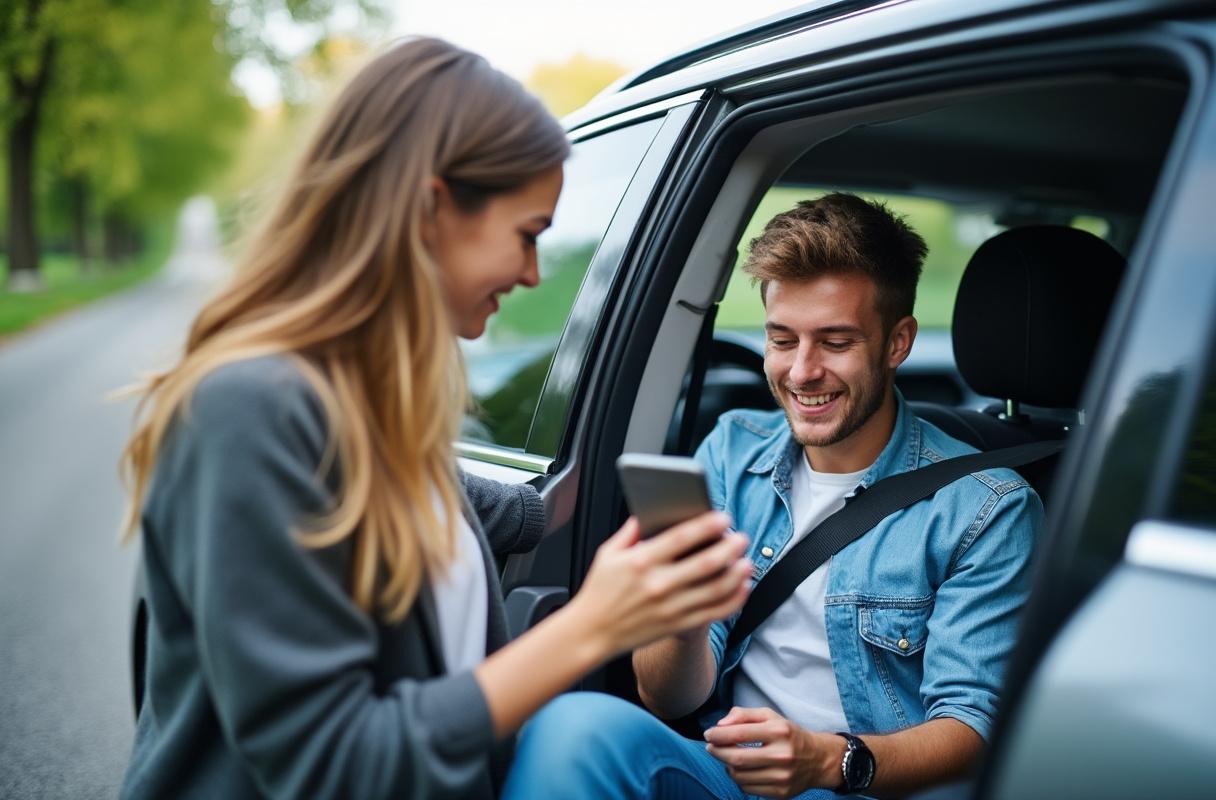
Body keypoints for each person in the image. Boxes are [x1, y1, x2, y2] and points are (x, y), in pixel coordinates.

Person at [117, 38, 753, 800]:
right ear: (429, 209)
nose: (531, 274)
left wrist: (636, 503)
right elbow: (331, 765)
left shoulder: (375, 416)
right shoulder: (250, 411)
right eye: (527, 235)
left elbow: (507, 509)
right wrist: (594, 624)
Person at [504, 193, 1044, 799]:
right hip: (724, 772)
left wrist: (828, 761)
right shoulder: (731, 449)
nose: (802, 372)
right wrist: (682, 617)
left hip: (858, 786)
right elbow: (667, 696)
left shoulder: (985, 508)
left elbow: (974, 727)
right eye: (782, 339)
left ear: (898, 343)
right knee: (573, 726)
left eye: (835, 343)